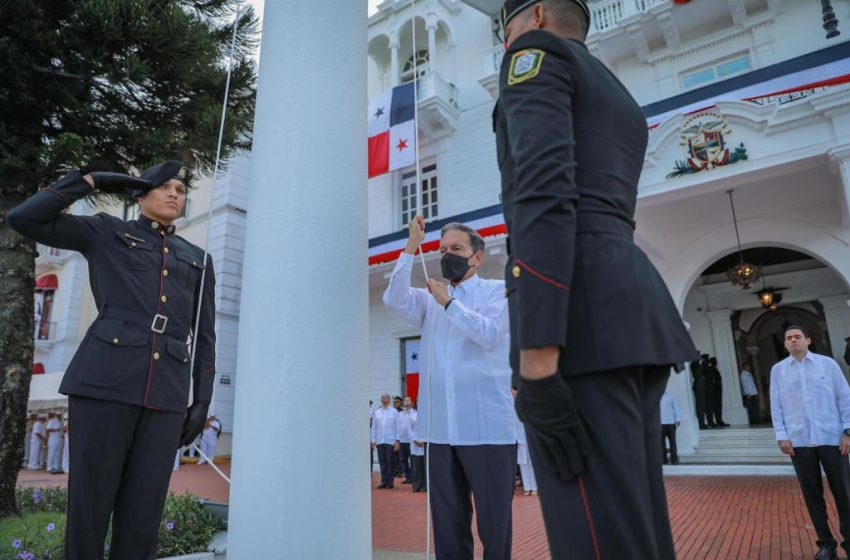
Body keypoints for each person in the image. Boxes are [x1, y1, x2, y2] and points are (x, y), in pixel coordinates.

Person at [493, 1, 699, 557]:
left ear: (534, 15)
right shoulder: (614, 89)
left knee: (595, 538)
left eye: (504, 26)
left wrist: (537, 358)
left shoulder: (533, 56)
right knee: (635, 528)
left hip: (575, 326)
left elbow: (541, 193)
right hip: (625, 311)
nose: (504, 39)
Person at [7, 161, 217, 560]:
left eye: (181, 188)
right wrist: (90, 182)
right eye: (164, 186)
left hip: (166, 394)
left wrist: (202, 400)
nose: (176, 193)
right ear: (140, 194)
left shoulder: (198, 258)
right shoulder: (107, 231)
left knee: (144, 514)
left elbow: (205, 335)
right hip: (104, 383)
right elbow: (24, 218)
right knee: (91, 507)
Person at [384, 218, 517, 559]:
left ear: (477, 257)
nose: (447, 256)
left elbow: (488, 335)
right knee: (448, 527)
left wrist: (449, 304)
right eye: (442, 250)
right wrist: (412, 245)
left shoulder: (496, 292)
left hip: (486, 429)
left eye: (456, 249)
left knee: (494, 525)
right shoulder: (428, 300)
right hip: (441, 431)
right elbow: (393, 299)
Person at [771, 325, 850, 560]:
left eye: (797, 337)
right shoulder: (778, 370)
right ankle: (826, 544)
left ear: (807, 340)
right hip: (799, 440)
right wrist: (781, 435)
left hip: (831, 437)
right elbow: (776, 404)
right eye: (788, 338)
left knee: (844, 492)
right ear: (785, 344)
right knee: (812, 494)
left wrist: (848, 430)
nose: (793, 340)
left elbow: (845, 397)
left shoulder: (828, 365)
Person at [371, 393, 400, 489]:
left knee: (390, 461)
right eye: (382, 397)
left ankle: (390, 481)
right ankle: (383, 481)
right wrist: (373, 440)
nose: (383, 398)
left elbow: (397, 426)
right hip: (380, 440)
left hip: (390, 440)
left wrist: (397, 440)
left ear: (389, 399)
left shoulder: (394, 412)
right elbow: (374, 427)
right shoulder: (377, 412)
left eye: (385, 397)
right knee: (382, 462)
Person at [396, 397, 417, 483]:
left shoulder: (415, 413)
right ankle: (408, 477)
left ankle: (413, 477)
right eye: (405, 400)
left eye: (408, 400)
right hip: (402, 440)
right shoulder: (400, 414)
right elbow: (397, 427)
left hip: (412, 441)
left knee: (413, 460)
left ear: (412, 403)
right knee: (403, 460)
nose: (406, 401)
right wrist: (397, 439)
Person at [659, 391, 681, 465]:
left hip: (671, 423)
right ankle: (663, 460)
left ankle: (674, 460)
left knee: (673, 442)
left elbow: (676, 408)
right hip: (660, 423)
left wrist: (677, 419)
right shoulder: (656, 396)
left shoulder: (671, 396)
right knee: (661, 443)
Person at [706, 357, 729, 427]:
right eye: (714, 361)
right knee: (713, 407)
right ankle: (713, 422)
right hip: (713, 392)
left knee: (718, 406)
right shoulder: (710, 369)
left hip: (717, 391)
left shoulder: (715, 369)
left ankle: (719, 420)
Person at [691, 355, 710, 429]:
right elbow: (695, 368)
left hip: (702, 387)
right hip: (698, 387)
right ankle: (700, 423)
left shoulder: (700, 365)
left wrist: (704, 362)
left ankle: (702, 422)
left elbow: (707, 370)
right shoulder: (694, 364)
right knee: (700, 406)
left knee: (703, 406)